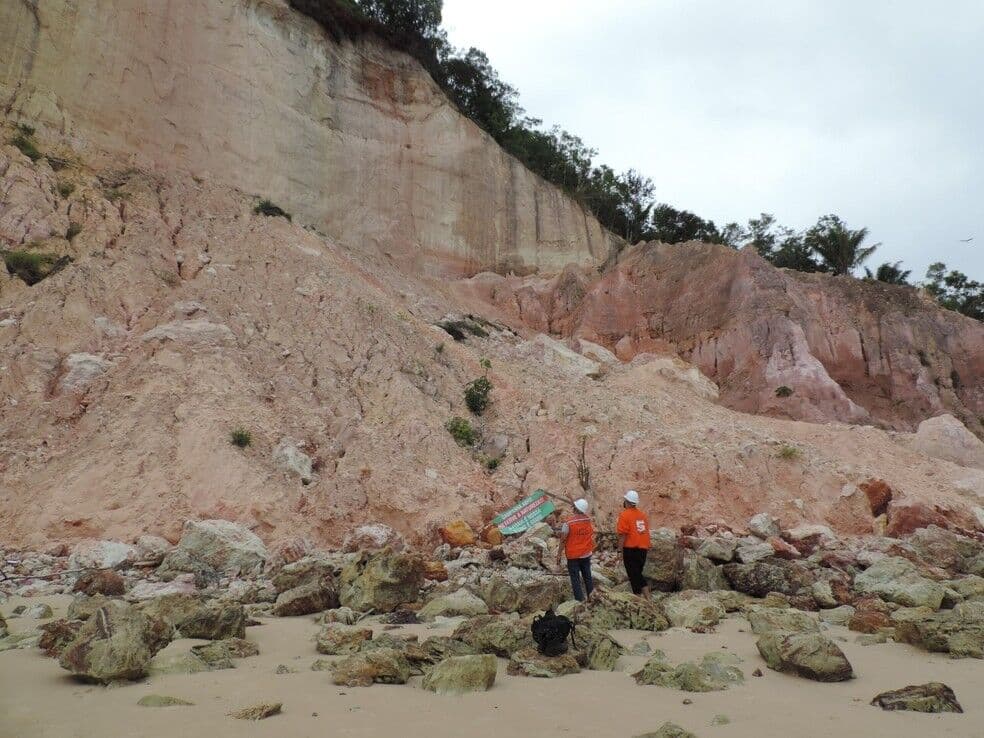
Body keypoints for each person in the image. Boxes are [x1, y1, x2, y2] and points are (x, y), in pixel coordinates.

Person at [556, 498, 594, 602]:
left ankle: (580, 601)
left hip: (573, 556)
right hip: (586, 554)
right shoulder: (588, 520)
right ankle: (593, 599)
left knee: (575, 580)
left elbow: (563, 540)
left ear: (576, 508)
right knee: (588, 577)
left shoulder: (568, 523)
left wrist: (559, 554)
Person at [617, 489, 650, 596]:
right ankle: (643, 598)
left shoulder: (624, 515)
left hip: (631, 549)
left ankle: (644, 599)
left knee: (634, 576)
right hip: (643, 549)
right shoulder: (642, 515)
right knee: (637, 575)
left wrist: (619, 550)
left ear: (627, 501)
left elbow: (622, 534)